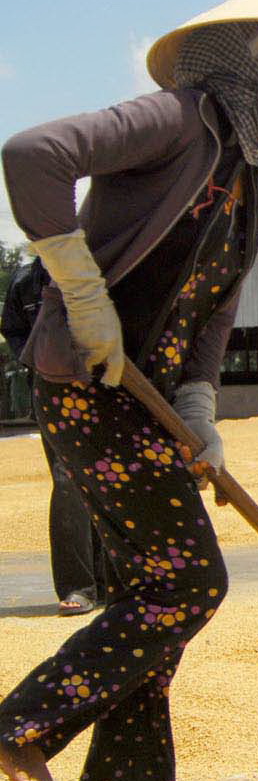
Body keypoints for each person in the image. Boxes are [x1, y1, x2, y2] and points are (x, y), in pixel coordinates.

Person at [0, 0, 258, 781]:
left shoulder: (251, 170)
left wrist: (201, 410)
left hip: (149, 401)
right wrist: (81, 289)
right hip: (88, 383)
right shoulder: (179, 119)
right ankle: (18, 725)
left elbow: (216, 306)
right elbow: (32, 153)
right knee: (188, 583)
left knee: (153, 590)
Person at [2, 260, 109, 616]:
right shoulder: (24, 282)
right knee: (68, 484)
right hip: (51, 392)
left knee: (106, 482)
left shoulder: (94, 267)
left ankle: (108, 582)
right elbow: (13, 330)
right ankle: (78, 586)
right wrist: (39, 359)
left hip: (102, 389)